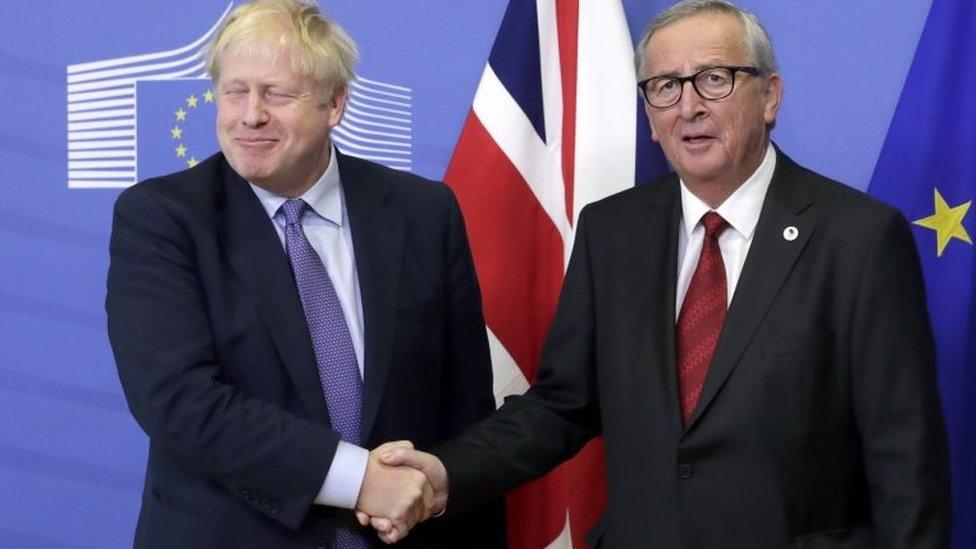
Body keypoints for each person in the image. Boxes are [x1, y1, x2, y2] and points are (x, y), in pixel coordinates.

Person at [372, 1, 951, 547]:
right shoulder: (613, 233)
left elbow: (904, 456)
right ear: (649, 115)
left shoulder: (859, 237)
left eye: (714, 79)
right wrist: (446, 471)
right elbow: (563, 405)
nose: (688, 106)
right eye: (665, 87)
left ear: (770, 96)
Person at [105, 0, 504, 547]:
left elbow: (466, 409)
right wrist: (360, 480)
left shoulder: (424, 212)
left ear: (335, 103)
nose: (250, 115)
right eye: (234, 91)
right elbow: (179, 400)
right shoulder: (162, 217)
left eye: (276, 94)